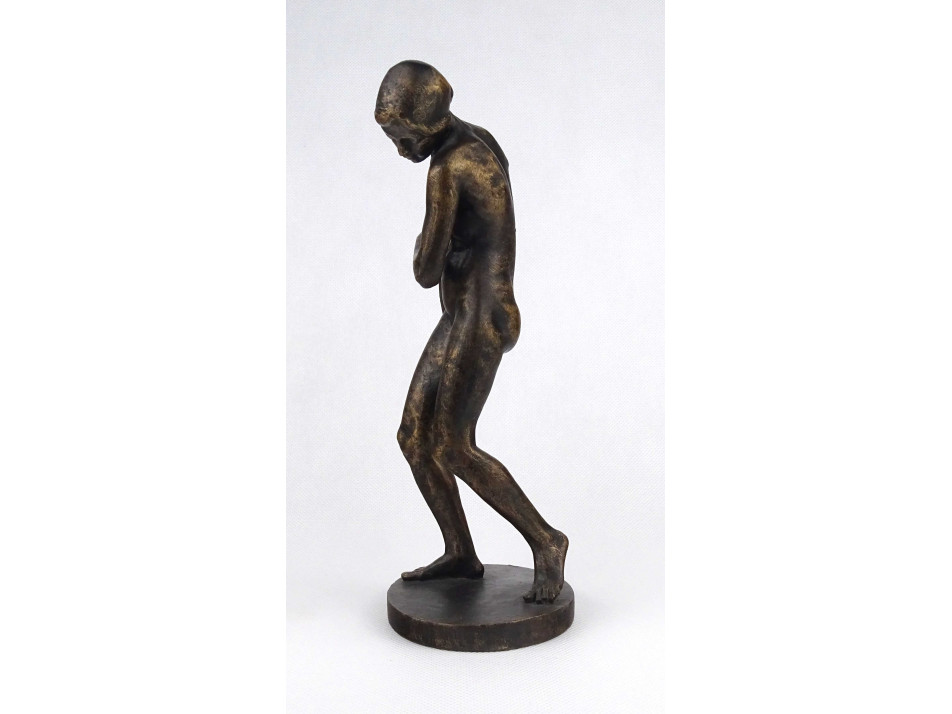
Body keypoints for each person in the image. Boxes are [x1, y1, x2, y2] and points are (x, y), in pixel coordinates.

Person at [375, 61, 568, 603]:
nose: (399, 149)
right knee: (414, 436)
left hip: (479, 317)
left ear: (429, 122)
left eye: (403, 137)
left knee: (453, 446)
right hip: (466, 312)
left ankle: (547, 541)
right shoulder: (479, 138)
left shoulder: (446, 169)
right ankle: (460, 551)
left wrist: (424, 243)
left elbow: (424, 271)